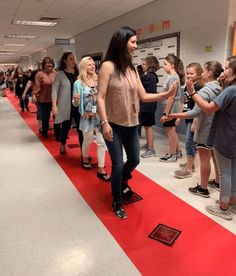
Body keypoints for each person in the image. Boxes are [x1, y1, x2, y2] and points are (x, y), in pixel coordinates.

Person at [97, 26, 177, 219]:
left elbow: (143, 95)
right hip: (113, 124)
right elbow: (100, 97)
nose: (135, 45)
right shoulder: (108, 66)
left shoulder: (132, 68)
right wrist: (105, 122)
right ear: (121, 42)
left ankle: (120, 180)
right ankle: (117, 200)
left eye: (135, 42)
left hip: (132, 123)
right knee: (117, 164)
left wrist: (165, 94)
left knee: (134, 159)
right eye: (132, 41)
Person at [186, 56, 236, 220]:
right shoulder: (229, 88)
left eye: (227, 67)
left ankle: (223, 208)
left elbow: (208, 108)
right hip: (233, 135)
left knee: (225, 173)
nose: (224, 71)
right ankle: (233, 203)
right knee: (233, 172)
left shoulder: (230, 90)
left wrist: (192, 92)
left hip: (225, 135)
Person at [170, 61, 223, 198]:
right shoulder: (219, 86)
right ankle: (217, 181)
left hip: (205, 128)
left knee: (204, 158)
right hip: (213, 127)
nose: (202, 74)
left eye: (204, 71)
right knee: (213, 156)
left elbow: (195, 112)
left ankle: (203, 188)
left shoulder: (206, 89)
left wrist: (174, 115)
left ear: (209, 73)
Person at [73, 56, 110, 181]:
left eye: (93, 64)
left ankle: (101, 168)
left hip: (99, 115)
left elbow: (103, 97)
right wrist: (76, 101)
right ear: (83, 67)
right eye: (89, 65)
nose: (93, 66)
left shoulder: (99, 80)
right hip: (87, 116)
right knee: (87, 140)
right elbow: (75, 103)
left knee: (101, 142)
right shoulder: (78, 83)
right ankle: (84, 157)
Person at [174, 63, 203, 178]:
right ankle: (191, 164)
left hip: (194, 119)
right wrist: (179, 116)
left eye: (192, 73)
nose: (189, 75)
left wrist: (195, 122)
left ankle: (189, 169)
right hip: (187, 117)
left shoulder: (200, 87)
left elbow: (199, 106)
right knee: (190, 142)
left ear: (199, 74)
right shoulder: (188, 85)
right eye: (188, 73)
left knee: (189, 143)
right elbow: (184, 102)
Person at [52, 52, 83, 154]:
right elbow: (54, 90)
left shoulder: (79, 74)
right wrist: (54, 106)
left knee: (81, 128)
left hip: (79, 106)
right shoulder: (60, 74)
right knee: (66, 126)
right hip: (66, 105)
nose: (73, 61)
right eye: (70, 59)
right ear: (64, 61)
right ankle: (62, 143)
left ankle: (84, 150)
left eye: (74, 59)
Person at [159, 54, 185, 162]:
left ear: (172, 65)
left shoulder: (173, 77)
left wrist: (166, 113)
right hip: (173, 108)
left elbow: (171, 98)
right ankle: (177, 152)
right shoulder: (174, 76)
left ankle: (172, 154)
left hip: (171, 108)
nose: (163, 66)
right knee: (172, 131)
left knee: (170, 131)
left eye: (165, 64)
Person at [139, 55, 159, 158]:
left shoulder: (148, 77)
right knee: (146, 126)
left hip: (148, 105)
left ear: (149, 65)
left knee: (148, 127)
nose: (142, 66)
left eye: (143, 64)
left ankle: (151, 149)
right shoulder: (151, 76)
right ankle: (148, 144)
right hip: (147, 104)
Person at [32, 57, 56, 137]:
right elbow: (37, 86)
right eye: (47, 63)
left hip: (55, 100)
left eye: (51, 63)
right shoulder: (39, 74)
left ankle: (57, 133)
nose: (50, 64)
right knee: (45, 119)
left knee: (57, 117)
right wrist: (34, 95)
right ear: (44, 64)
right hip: (43, 100)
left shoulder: (55, 74)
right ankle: (44, 131)